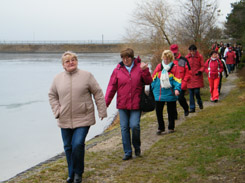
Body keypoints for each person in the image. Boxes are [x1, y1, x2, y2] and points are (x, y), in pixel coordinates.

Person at [49, 51, 107, 183]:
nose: (71, 63)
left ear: (77, 61)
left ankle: (78, 173)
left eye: (73, 60)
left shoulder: (86, 76)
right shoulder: (57, 79)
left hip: (83, 117)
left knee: (77, 144)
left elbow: (97, 93)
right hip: (64, 118)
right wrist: (57, 111)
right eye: (67, 61)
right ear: (63, 65)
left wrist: (102, 111)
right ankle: (71, 174)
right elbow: (52, 95)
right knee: (68, 147)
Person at [105, 48, 152, 160]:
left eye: (128, 58)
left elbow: (149, 81)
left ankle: (137, 147)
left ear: (132, 57)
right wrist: (105, 103)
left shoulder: (140, 68)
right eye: (123, 58)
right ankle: (127, 152)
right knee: (124, 128)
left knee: (135, 126)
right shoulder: (117, 70)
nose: (125, 60)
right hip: (122, 105)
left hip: (136, 104)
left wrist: (145, 71)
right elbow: (111, 88)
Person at [151, 50, 181, 135]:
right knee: (158, 111)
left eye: (167, 59)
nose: (166, 60)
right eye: (164, 58)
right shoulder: (159, 66)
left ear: (170, 59)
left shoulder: (174, 68)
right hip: (158, 93)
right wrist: (151, 88)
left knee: (171, 111)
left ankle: (171, 127)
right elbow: (153, 78)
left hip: (170, 93)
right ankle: (161, 128)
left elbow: (177, 80)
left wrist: (177, 89)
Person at [170, 44, 191, 117]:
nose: (174, 54)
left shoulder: (183, 60)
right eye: (173, 53)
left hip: (182, 83)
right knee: (172, 99)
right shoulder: (169, 61)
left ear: (178, 51)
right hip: (172, 83)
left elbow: (188, 72)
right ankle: (174, 115)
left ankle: (186, 109)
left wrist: (184, 82)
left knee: (180, 97)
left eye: (175, 53)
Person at [185, 45, 205, 113]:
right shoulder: (187, 58)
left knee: (196, 92)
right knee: (191, 93)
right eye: (191, 51)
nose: (192, 52)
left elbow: (203, 66)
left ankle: (199, 102)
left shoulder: (199, 57)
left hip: (197, 77)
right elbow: (185, 67)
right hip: (190, 78)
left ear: (195, 50)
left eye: (193, 51)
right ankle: (192, 108)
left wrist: (200, 71)